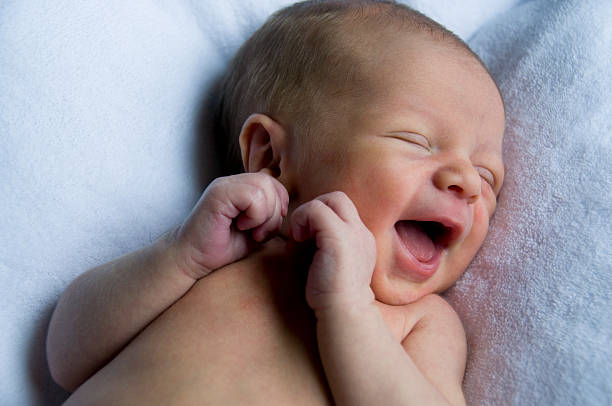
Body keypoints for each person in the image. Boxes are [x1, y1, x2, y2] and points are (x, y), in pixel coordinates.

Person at [46, 1, 505, 404]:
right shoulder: (215, 257)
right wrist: (178, 257)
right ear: (270, 157)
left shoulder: (419, 323)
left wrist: (348, 310)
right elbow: (65, 357)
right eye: (416, 141)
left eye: (487, 177)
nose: (465, 180)